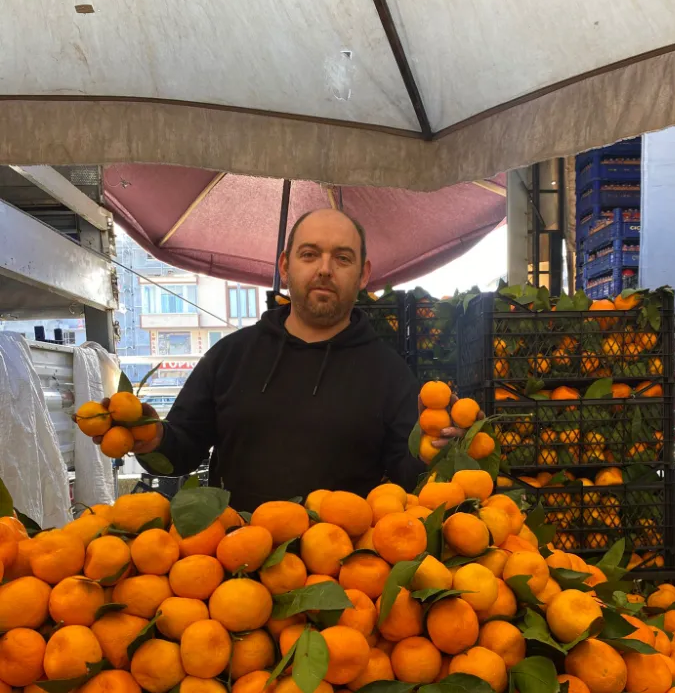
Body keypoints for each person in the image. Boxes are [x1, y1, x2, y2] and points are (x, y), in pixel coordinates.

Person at [127, 208, 451, 511]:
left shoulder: (389, 373)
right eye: (309, 255)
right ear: (285, 266)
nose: (325, 269)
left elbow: (408, 477)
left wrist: (435, 448)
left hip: (343, 563)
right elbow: (181, 452)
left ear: (363, 274)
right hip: (234, 556)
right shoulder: (231, 356)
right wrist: (152, 438)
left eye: (342, 258)